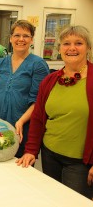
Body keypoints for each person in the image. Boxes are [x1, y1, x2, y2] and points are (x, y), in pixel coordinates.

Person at [16, 25, 93, 199]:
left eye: (78, 43)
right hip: (50, 156)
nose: (72, 48)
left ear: (88, 47)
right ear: (59, 49)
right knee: (51, 200)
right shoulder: (50, 80)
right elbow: (37, 119)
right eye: (66, 44)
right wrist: (31, 151)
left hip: (81, 163)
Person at [0, 20, 50, 158]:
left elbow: (38, 101)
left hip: (22, 129)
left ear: (32, 39)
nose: (21, 39)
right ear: (10, 38)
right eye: (17, 35)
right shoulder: (0, 63)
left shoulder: (38, 65)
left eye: (26, 36)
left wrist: (21, 121)